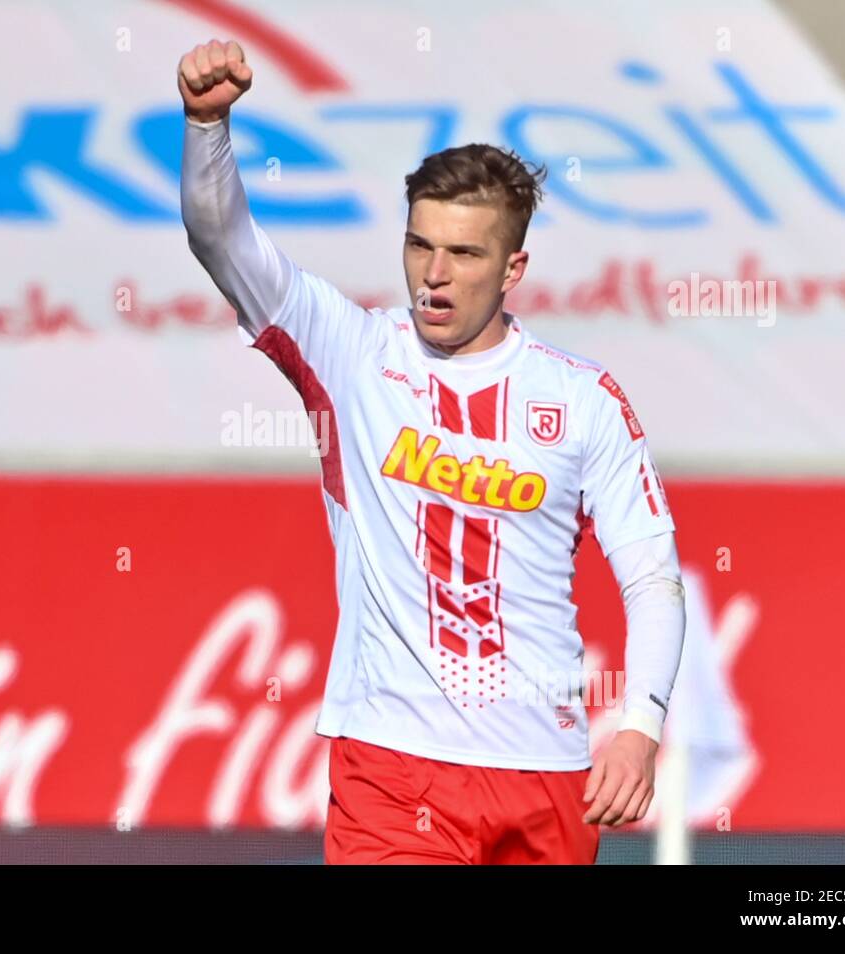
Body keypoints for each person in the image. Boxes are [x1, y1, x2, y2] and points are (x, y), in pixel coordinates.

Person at [178, 39, 686, 864]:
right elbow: (221, 241)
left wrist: (639, 731)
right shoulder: (348, 350)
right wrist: (207, 125)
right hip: (392, 767)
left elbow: (653, 578)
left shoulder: (584, 400)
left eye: (463, 254)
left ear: (514, 265)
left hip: (544, 775)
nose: (433, 276)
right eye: (419, 246)